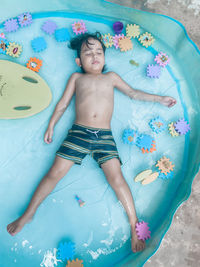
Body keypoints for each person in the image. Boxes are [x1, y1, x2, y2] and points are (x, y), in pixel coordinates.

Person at [7, 32, 176, 253]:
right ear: (79, 61)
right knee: (54, 173)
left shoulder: (111, 77)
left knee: (117, 178)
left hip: (104, 135)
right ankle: (29, 213)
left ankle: (134, 224)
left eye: (98, 52)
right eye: (88, 53)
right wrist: (51, 125)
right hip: (79, 132)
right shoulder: (77, 79)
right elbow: (62, 104)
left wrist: (160, 99)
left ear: (105, 57)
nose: (94, 56)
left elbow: (133, 93)